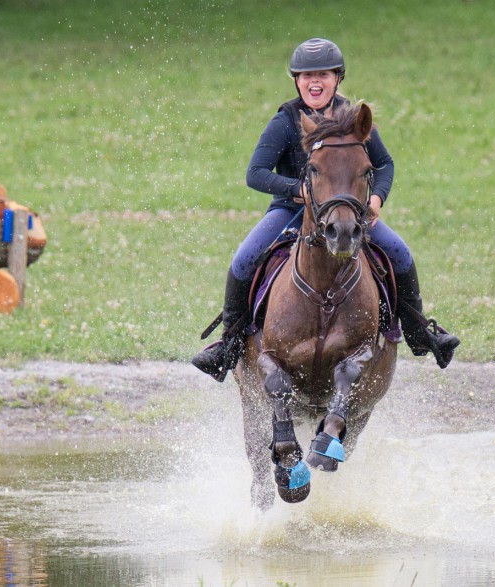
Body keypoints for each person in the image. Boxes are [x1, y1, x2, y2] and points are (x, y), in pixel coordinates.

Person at [192, 38, 460, 382]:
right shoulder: (286, 120)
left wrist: (376, 198)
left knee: (400, 252)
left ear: (338, 78)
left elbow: (385, 163)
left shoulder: (353, 119)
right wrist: (296, 190)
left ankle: (421, 333)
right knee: (244, 259)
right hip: (290, 212)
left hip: (347, 214)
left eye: (323, 74)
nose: (314, 82)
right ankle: (228, 346)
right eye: (306, 76)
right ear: (296, 81)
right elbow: (255, 173)